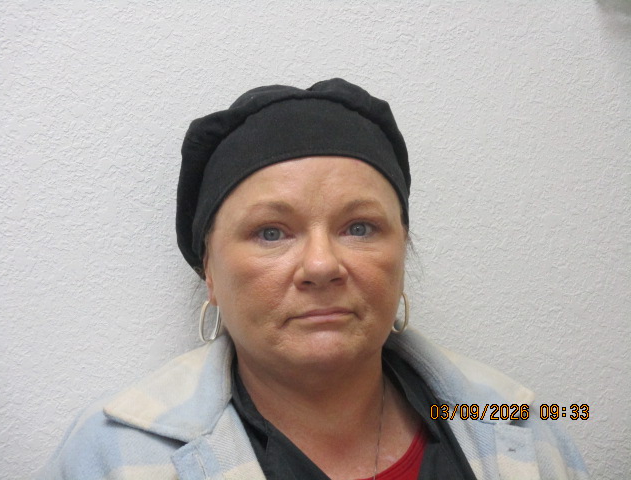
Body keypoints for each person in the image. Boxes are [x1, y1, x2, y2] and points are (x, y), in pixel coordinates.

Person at [37, 79, 589, 480]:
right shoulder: (111, 456)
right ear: (210, 273)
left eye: (359, 227)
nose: (322, 266)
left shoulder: (522, 427)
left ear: (401, 252)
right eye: (271, 233)